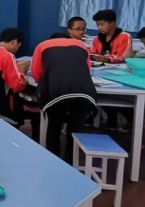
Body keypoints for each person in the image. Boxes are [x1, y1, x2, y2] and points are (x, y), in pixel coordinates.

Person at [31, 32, 97, 160]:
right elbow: (88, 70)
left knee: (54, 126)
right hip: (83, 92)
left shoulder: (43, 45)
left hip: (56, 92)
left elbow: (36, 74)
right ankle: (71, 161)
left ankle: (53, 160)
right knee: (76, 129)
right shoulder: (81, 45)